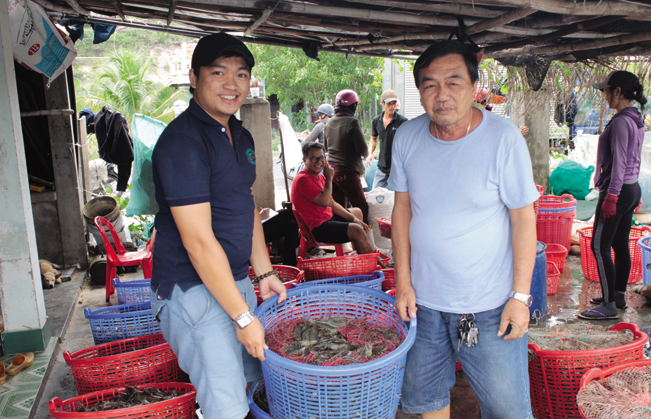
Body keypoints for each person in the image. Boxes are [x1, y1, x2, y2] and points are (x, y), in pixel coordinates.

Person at [390, 40, 539, 419]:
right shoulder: (407, 137)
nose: (442, 95)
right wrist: (403, 283)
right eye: (430, 85)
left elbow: (524, 218)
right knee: (427, 400)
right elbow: (402, 211)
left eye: (454, 82)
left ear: (474, 87)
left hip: (489, 306)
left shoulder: (503, 139)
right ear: (420, 92)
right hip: (423, 305)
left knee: (508, 410)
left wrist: (520, 298)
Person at [149, 32, 287, 419]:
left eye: (241, 75)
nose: (232, 84)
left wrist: (265, 273)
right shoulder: (183, 142)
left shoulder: (238, 134)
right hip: (192, 289)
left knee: (250, 378)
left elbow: (246, 204)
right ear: (194, 78)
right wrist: (243, 316)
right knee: (224, 404)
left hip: (231, 279)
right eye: (218, 72)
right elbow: (197, 242)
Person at [579, 70, 647, 320]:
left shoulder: (620, 121)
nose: (605, 95)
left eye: (607, 90)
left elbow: (619, 162)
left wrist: (611, 197)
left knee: (600, 246)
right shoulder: (635, 118)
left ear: (618, 92)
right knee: (619, 244)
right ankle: (617, 295)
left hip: (617, 191)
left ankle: (607, 306)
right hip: (631, 186)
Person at [291, 141, 375, 255]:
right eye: (314, 159)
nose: (319, 162)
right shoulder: (303, 179)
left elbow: (332, 203)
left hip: (327, 218)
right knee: (357, 230)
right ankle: (374, 263)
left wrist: (353, 219)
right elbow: (324, 202)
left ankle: (359, 255)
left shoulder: (319, 176)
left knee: (357, 213)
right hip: (317, 228)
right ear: (304, 160)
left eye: (321, 157)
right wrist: (329, 178)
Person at [324, 89, 370, 223]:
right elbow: (363, 151)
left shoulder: (329, 122)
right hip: (347, 171)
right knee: (360, 207)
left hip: (331, 170)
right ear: (353, 105)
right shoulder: (352, 122)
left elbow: (326, 147)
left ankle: (342, 242)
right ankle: (364, 240)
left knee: (339, 209)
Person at [365, 89, 408, 189]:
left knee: (402, 197)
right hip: (382, 167)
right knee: (375, 194)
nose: (392, 107)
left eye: (394, 103)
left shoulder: (402, 121)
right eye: (389, 104)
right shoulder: (376, 121)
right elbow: (373, 139)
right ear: (382, 103)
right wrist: (370, 153)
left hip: (398, 168)